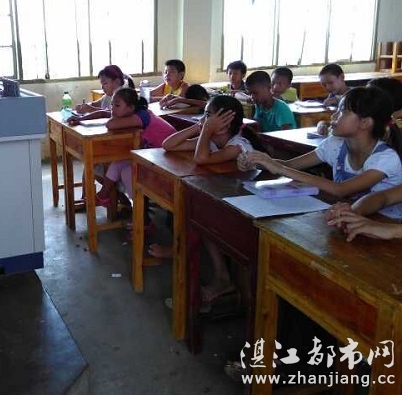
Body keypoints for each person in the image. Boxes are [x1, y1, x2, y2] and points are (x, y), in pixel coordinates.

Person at [155, 96, 264, 303]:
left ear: (225, 124)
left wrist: (205, 130)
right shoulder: (212, 141)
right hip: (230, 200)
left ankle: (222, 279)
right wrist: (200, 127)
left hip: (251, 209)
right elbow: (168, 145)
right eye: (206, 116)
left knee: (200, 214)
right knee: (198, 212)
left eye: (209, 116)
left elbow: (201, 158)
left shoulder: (238, 145)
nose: (205, 120)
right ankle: (216, 272)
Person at [238, 86, 402, 199]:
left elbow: (341, 189)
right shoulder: (336, 144)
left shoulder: (385, 158)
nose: (333, 116)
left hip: (385, 225)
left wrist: (279, 168)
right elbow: (291, 165)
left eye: (342, 112)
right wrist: (257, 161)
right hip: (347, 216)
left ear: (365, 122)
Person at [68, 88, 176, 209]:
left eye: (117, 105)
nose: (112, 108)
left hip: (168, 158)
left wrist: (112, 116)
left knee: (126, 171)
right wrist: (80, 119)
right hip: (153, 155)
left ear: (130, 108)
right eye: (112, 104)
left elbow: (110, 124)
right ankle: (108, 197)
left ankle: (138, 210)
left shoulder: (141, 116)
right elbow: (102, 113)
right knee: (118, 165)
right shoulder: (129, 113)